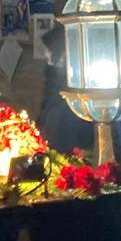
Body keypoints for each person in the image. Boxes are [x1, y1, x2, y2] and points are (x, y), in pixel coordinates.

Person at [37, 24, 92, 152]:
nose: (48, 62)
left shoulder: (67, 101)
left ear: (63, 54)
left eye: (50, 56)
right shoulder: (55, 91)